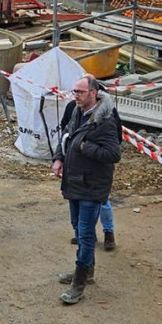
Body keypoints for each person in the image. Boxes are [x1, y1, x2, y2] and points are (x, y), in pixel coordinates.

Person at [53, 75, 123, 305]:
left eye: (80, 92)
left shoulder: (105, 120)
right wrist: (59, 158)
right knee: (78, 228)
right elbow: (66, 136)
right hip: (74, 181)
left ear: (93, 92)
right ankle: (88, 271)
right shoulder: (76, 110)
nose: (75, 96)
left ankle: (79, 283)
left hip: (93, 185)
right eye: (74, 91)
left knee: (85, 233)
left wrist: (84, 146)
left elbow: (113, 154)